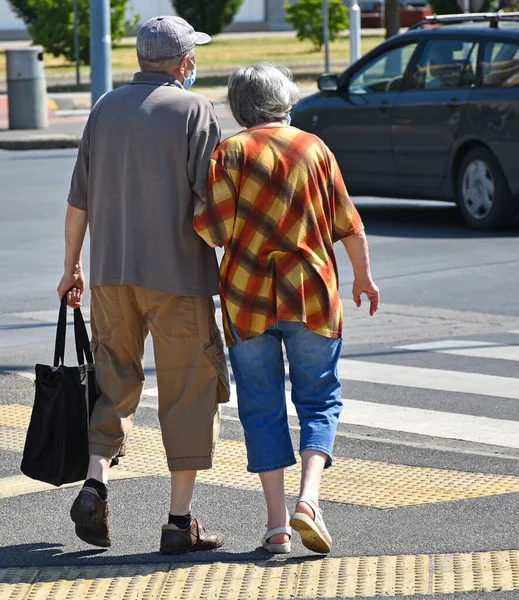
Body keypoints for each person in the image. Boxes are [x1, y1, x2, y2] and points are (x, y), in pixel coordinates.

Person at [57, 15, 230, 555]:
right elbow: (211, 201)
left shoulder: (104, 108)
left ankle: (94, 485)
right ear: (183, 62)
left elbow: (78, 201)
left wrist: (72, 268)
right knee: (189, 393)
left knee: (113, 381)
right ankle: (179, 523)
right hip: (178, 278)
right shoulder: (194, 110)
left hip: (111, 275)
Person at [194, 63, 380, 555]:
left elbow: (212, 231)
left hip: (247, 297)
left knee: (260, 406)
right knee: (318, 398)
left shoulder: (230, 153)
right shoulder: (313, 148)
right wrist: (363, 277)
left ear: (239, 106)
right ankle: (310, 500)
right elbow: (349, 222)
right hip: (312, 294)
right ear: (285, 101)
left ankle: (277, 526)